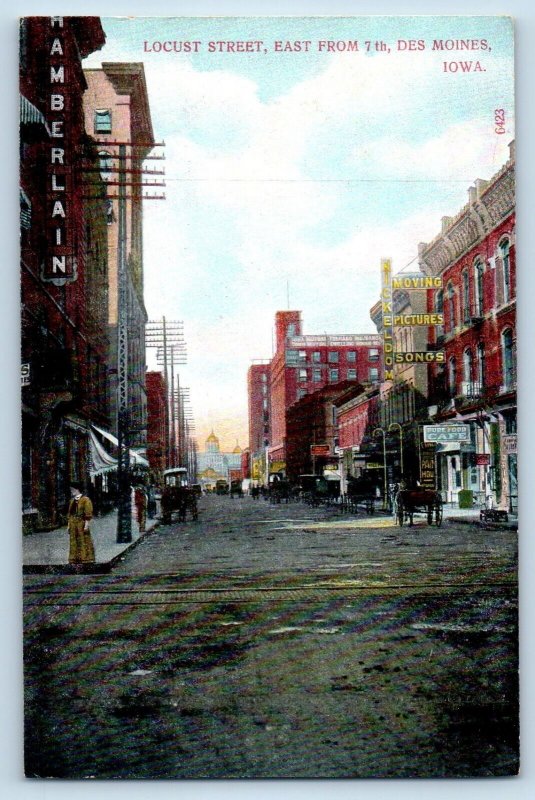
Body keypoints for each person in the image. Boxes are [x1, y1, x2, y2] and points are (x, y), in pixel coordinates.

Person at [67, 482, 95, 566]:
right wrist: (69, 525)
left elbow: (88, 513)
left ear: (77, 490)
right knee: (73, 541)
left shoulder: (85, 500)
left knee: (83, 540)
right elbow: (70, 513)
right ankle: (75, 558)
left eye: (73, 490)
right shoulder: (72, 501)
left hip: (81, 523)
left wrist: (86, 524)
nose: (72, 491)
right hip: (73, 523)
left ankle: (85, 558)